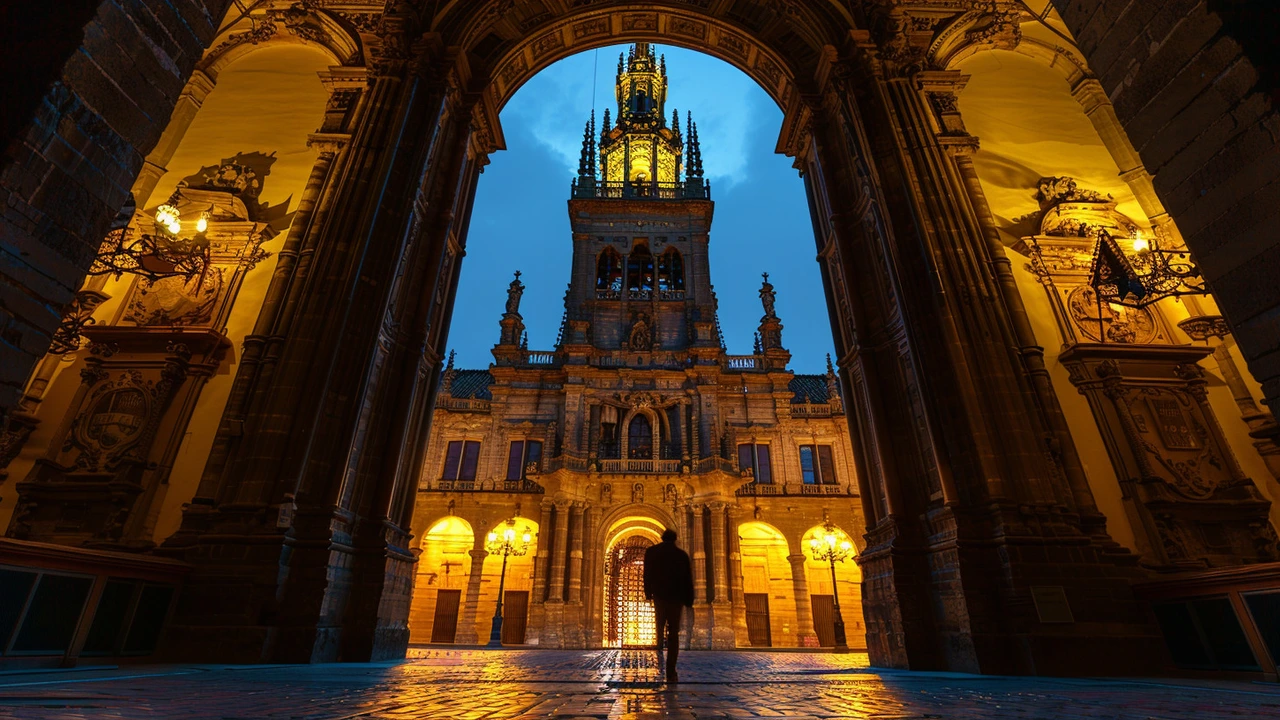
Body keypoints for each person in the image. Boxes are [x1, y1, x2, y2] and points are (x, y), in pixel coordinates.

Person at [643, 528, 694, 684]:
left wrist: (648, 592)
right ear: (675, 539)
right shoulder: (681, 555)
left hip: (659, 595)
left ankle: (657, 653)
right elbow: (687, 578)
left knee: (659, 625)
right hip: (676, 597)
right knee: (673, 633)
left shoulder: (652, 552)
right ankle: (671, 670)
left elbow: (647, 573)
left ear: (662, 537)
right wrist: (688, 599)